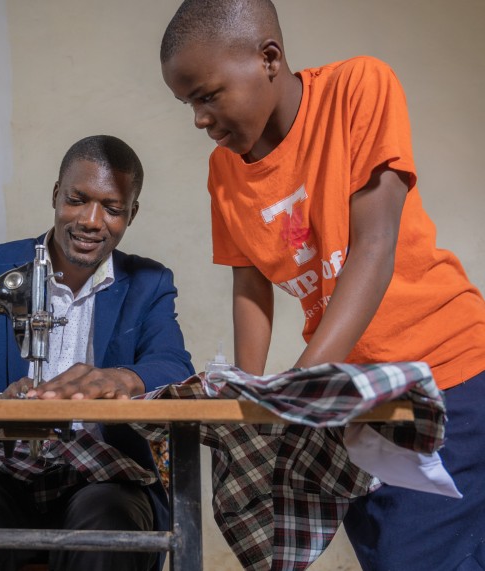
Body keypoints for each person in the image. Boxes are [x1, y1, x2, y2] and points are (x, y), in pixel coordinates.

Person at [159, 1, 485, 570]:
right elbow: (250, 285)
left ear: (268, 58)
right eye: (189, 104)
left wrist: (297, 395)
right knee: (388, 552)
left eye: (208, 96)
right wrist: (251, 397)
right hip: (354, 402)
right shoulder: (224, 171)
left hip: (446, 379)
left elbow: (375, 247)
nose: (199, 120)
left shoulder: (358, 87)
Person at [0, 135, 194, 571]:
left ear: (132, 213)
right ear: (56, 195)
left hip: (104, 475)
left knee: (108, 531)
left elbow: (174, 367)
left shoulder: (148, 282)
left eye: (112, 209)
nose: (92, 221)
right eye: (77, 200)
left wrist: (114, 379)